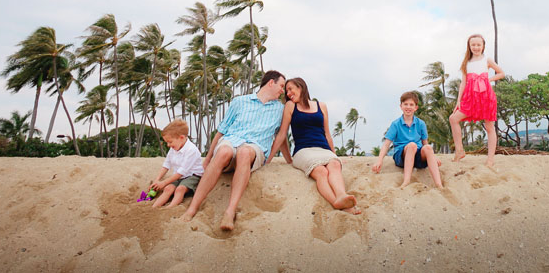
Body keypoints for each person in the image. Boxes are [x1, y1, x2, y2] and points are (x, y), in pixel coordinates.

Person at [181, 70, 288, 230]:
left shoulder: (280, 110)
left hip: (254, 148)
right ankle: (192, 208)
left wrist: (279, 159)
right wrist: (208, 159)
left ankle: (230, 212)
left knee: (245, 152)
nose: (283, 90)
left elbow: (282, 137)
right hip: (231, 141)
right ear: (271, 83)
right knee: (224, 151)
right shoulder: (239, 102)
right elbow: (222, 131)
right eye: (281, 86)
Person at [266, 77, 361, 214]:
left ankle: (341, 196)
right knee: (321, 171)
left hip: (323, 149)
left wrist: (334, 154)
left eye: (290, 89)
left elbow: (327, 134)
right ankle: (336, 203)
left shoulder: (321, 106)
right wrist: (269, 159)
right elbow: (282, 134)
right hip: (303, 151)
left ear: (301, 87)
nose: (288, 93)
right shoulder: (291, 106)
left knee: (334, 165)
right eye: (286, 91)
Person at [449, 33, 505, 168]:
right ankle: (460, 151)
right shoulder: (466, 63)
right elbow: (463, 83)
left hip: (486, 97)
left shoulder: (487, 60)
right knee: (453, 118)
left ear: (483, 46)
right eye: (473, 44)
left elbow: (501, 73)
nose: (476, 47)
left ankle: (490, 159)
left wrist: (489, 79)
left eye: (478, 44)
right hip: (470, 98)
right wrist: (458, 101)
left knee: (489, 127)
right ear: (469, 46)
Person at [372, 91, 443, 188]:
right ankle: (406, 181)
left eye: (411, 104)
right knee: (412, 145)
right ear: (401, 106)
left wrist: (433, 157)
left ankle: (439, 184)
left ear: (416, 107)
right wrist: (379, 160)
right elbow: (386, 145)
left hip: (417, 157)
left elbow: (425, 143)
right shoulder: (395, 124)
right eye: (405, 104)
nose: (408, 107)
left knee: (427, 148)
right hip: (401, 156)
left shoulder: (421, 123)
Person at [149, 119, 204, 208]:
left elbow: (182, 171)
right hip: (178, 176)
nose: (168, 145)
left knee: (180, 189)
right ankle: (154, 207)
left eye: (170, 142)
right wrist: (157, 180)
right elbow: (166, 165)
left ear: (181, 138)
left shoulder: (191, 150)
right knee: (168, 188)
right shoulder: (173, 149)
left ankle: (170, 208)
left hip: (192, 175)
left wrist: (163, 182)